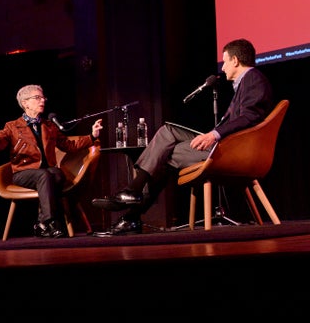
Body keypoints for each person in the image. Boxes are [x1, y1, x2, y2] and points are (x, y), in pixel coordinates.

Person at [92, 38, 274, 236]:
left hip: (232, 150)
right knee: (167, 131)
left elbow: (250, 117)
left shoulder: (253, 78)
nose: (223, 68)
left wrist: (215, 134)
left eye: (225, 61)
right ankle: (132, 198)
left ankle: (131, 212)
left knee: (163, 156)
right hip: (227, 145)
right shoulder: (246, 82)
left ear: (236, 60)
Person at [0, 84, 103, 238]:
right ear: (25, 103)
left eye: (43, 97)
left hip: (48, 172)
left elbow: (68, 145)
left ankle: (42, 223)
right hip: (23, 173)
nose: (42, 100)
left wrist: (92, 136)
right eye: (37, 98)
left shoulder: (49, 125)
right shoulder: (12, 127)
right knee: (45, 175)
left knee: (57, 174)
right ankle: (51, 222)